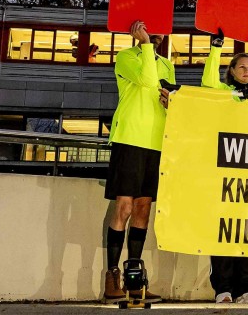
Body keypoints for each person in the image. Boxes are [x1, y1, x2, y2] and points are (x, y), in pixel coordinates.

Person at [102, 20, 175, 304]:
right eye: (149, 26)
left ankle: (134, 278)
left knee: (144, 209)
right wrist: (144, 44)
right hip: (130, 138)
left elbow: (167, 93)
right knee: (125, 206)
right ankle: (112, 276)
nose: (156, 32)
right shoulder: (125, 57)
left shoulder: (167, 64)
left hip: (157, 143)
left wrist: (173, 101)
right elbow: (146, 80)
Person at [202, 29, 248, 304]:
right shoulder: (223, 92)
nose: (247, 71)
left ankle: (246, 287)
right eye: (242, 67)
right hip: (224, 171)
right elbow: (208, 82)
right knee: (223, 229)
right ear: (233, 71)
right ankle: (223, 288)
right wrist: (216, 49)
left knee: (247, 229)